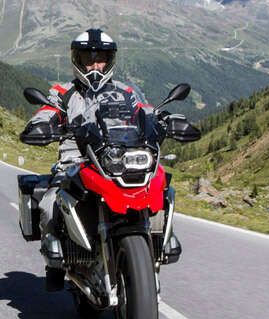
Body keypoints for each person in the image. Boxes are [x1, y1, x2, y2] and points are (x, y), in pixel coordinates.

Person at [19, 28, 174, 290]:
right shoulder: (63, 92)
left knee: (162, 188)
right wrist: (42, 125)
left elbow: (145, 112)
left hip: (117, 159)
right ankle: (57, 258)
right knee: (49, 204)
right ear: (77, 60)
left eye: (101, 58)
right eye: (88, 58)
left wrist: (166, 119)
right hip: (75, 161)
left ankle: (158, 244)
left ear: (109, 60)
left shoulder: (126, 91)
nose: (95, 64)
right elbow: (47, 110)